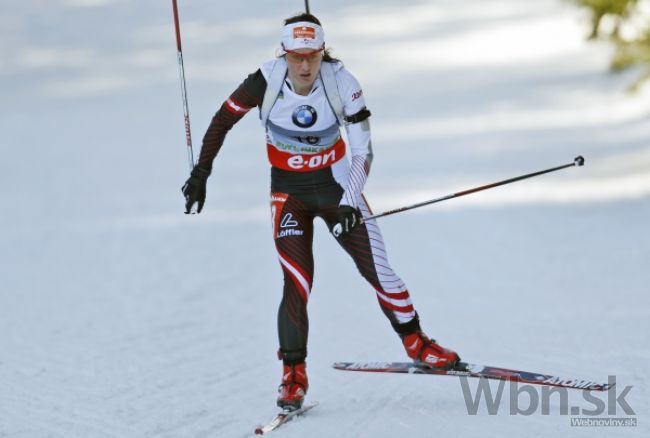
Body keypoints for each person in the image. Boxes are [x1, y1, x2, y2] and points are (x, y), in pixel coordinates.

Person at [182, 12, 460, 411]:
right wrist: (201, 172)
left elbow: (363, 151)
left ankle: (417, 342)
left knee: (378, 269)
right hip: (288, 194)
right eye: (297, 56)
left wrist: (349, 200)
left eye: (313, 55)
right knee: (297, 281)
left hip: (336, 188)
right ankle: (293, 375)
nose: (306, 65)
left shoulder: (343, 82)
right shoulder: (265, 80)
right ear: (285, 53)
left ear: (323, 52)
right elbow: (222, 120)